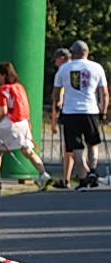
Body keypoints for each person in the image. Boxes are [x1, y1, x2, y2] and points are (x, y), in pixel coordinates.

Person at [54, 40, 107, 189]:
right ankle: (93, 170)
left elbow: (56, 92)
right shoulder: (96, 67)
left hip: (71, 112)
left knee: (76, 147)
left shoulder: (64, 68)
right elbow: (104, 93)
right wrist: (103, 111)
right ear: (87, 52)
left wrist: (58, 105)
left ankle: (83, 178)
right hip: (91, 110)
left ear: (73, 53)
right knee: (93, 143)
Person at [0, 62, 50, 186]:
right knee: (27, 151)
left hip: (7, 124)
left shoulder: (2, 90)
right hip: (22, 123)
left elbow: (3, 110)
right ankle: (43, 173)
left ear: (3, 75)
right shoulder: (19, 87)